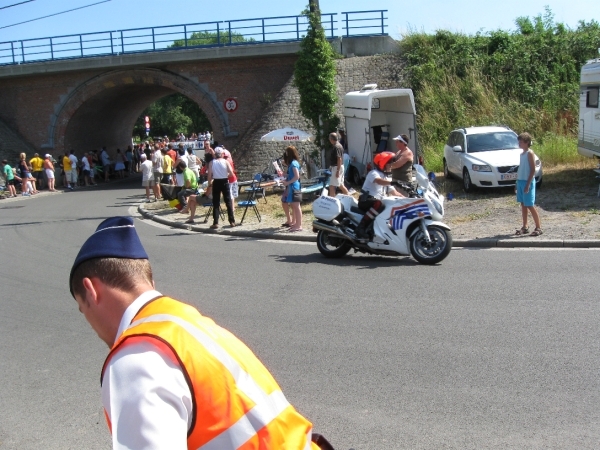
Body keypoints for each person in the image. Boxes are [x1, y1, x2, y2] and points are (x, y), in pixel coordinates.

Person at [68, 216, 326, 450]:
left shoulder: (136, 358)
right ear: (149, 283)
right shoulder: (187, 322)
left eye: (83, 309)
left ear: (91, 291)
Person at [356, 151, 404, 241]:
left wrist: (407, 199)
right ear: (383, 163)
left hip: (375, 202)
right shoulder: (373, 173)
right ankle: (361, 228)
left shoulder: (386, 177)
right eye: (389, 163)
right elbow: (378, 181)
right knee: (380, 204)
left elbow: (395, 193)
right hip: (365, 200)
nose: (391, 165)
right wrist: (392, 182)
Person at [515, 132, 543, 236]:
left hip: (528, 182)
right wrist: (517, 183)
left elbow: (532, 170)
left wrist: (527, 184)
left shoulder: (530, 153)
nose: (519, 144)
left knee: (530, 205)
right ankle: (525, 226)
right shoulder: (522, 154)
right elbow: (521, 169)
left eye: (521, 142)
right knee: (523, 204)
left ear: (527, 142)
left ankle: (538, 227)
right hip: (521, 181)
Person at [207, 146, 236, 228]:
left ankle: (216, 222)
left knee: (216, 202)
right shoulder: (226, 162)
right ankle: (232, 221)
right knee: (228, 201)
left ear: (215, 154)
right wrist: (225, 175)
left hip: (216, 181)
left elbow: (209, 175)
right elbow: (231, 173)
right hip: (224, 181)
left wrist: (209, 183)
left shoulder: (212, 163)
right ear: (222, 154)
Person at [280, 146, 303, 231]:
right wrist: (285, 175)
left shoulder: (293, 164)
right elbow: (292, 175)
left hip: (294, 187)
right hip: (293, 187)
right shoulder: (294, 163)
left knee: (296, 206)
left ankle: (299, 225)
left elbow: (297, 176)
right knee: (294, 205)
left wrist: (287, 182)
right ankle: (296, 223)